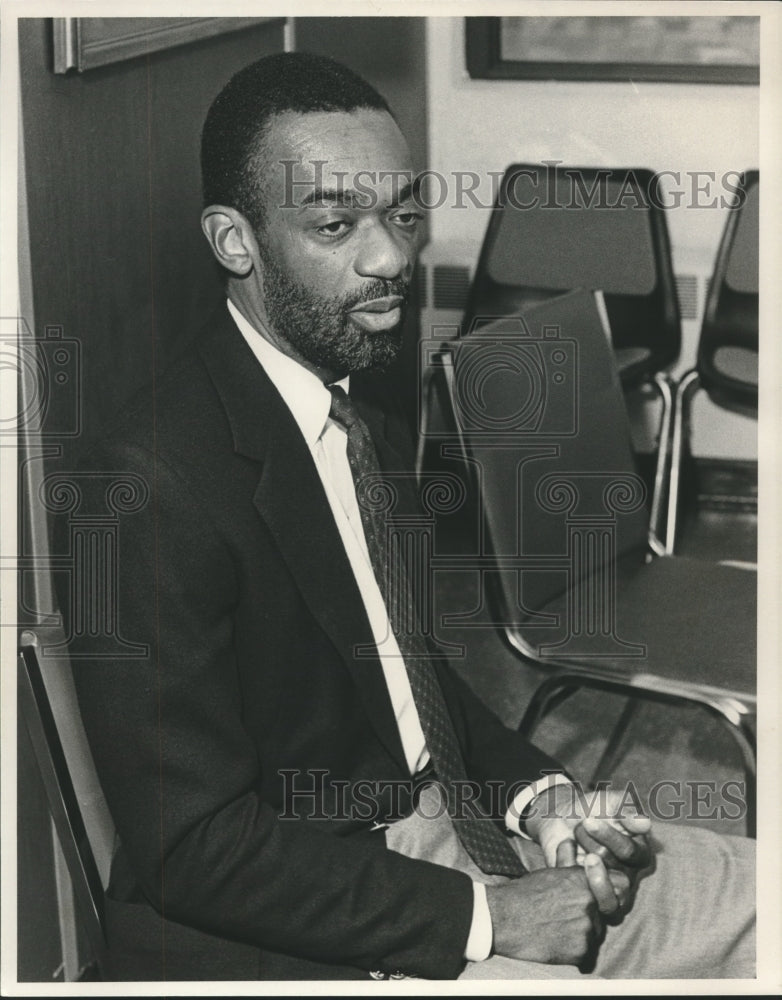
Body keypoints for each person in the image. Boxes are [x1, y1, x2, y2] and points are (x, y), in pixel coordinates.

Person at [66, 52, 755, 982]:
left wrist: (544, 802)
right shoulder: (145, 483)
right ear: (235, 241)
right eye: (334, 223)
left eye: (401, 213)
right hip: (312, 915)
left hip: (452, 829)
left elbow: (412, 685)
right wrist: (489, 916)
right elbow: (193, 850)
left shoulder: (361, 411)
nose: (391, 257)